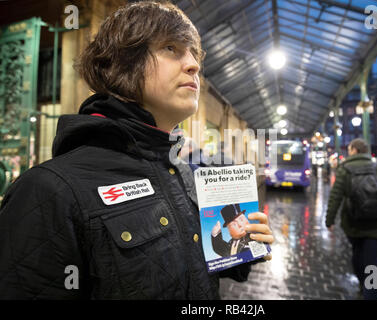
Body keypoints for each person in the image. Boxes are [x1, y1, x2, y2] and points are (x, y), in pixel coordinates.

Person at [0, 1, 274, 299]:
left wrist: (247, 246)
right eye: (171, 48)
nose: (194, 65)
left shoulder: (183, 173)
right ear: (123, 64)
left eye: (194, 53)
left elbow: (196, 263)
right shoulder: (49, 190)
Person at [325, 138, 377, 300]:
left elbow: (335, 197)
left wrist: (330, 220)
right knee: (373, 263)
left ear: (353, 150)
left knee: (358, 257)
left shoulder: (345, 169)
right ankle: (371, 293)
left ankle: (364, 287)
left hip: (354, 224)